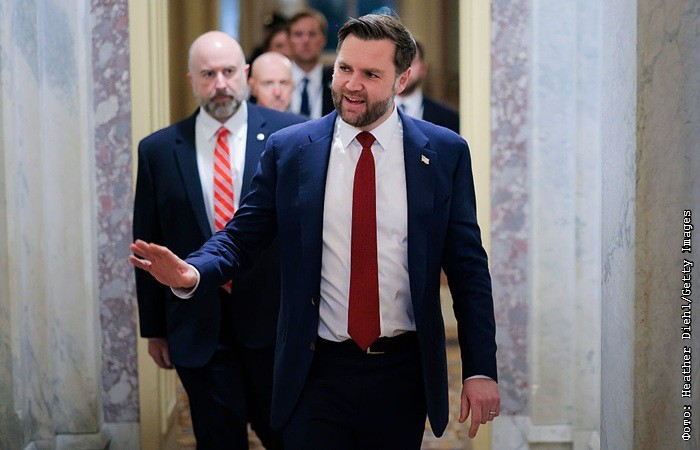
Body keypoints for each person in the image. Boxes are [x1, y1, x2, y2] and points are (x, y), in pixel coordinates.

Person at [130, 14, 499, 450]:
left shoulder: (443, 153)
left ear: (401, 80)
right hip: (315, 369)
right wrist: (193, 273)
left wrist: (480, 368)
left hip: (402, 371)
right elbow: (241, 236)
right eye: (344, 68)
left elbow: (468, 269)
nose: (352, 85)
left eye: (371, 74)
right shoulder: (291, 150)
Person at [132, 31, 305, 450]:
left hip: (275, 324)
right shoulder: (159, 150)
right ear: (191, 79)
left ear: (245, 74)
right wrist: (155, 330)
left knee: (287, 437)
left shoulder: (292, 135)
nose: (221, 84)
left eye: (229, 72)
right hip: (198, 327)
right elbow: (149, 245)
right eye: (208, 74)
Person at [396, 40, 460, 133]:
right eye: (398, 62)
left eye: (411, 62)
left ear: (423, 69)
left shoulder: (449, 118)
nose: (404, 69)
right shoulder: (376, 113)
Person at [287, 8, 334, 118]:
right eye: (298, 34)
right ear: (289, 40)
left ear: (323, 39)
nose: (305, 40)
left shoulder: (336, 82)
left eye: (312, 34)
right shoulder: (277, 80)